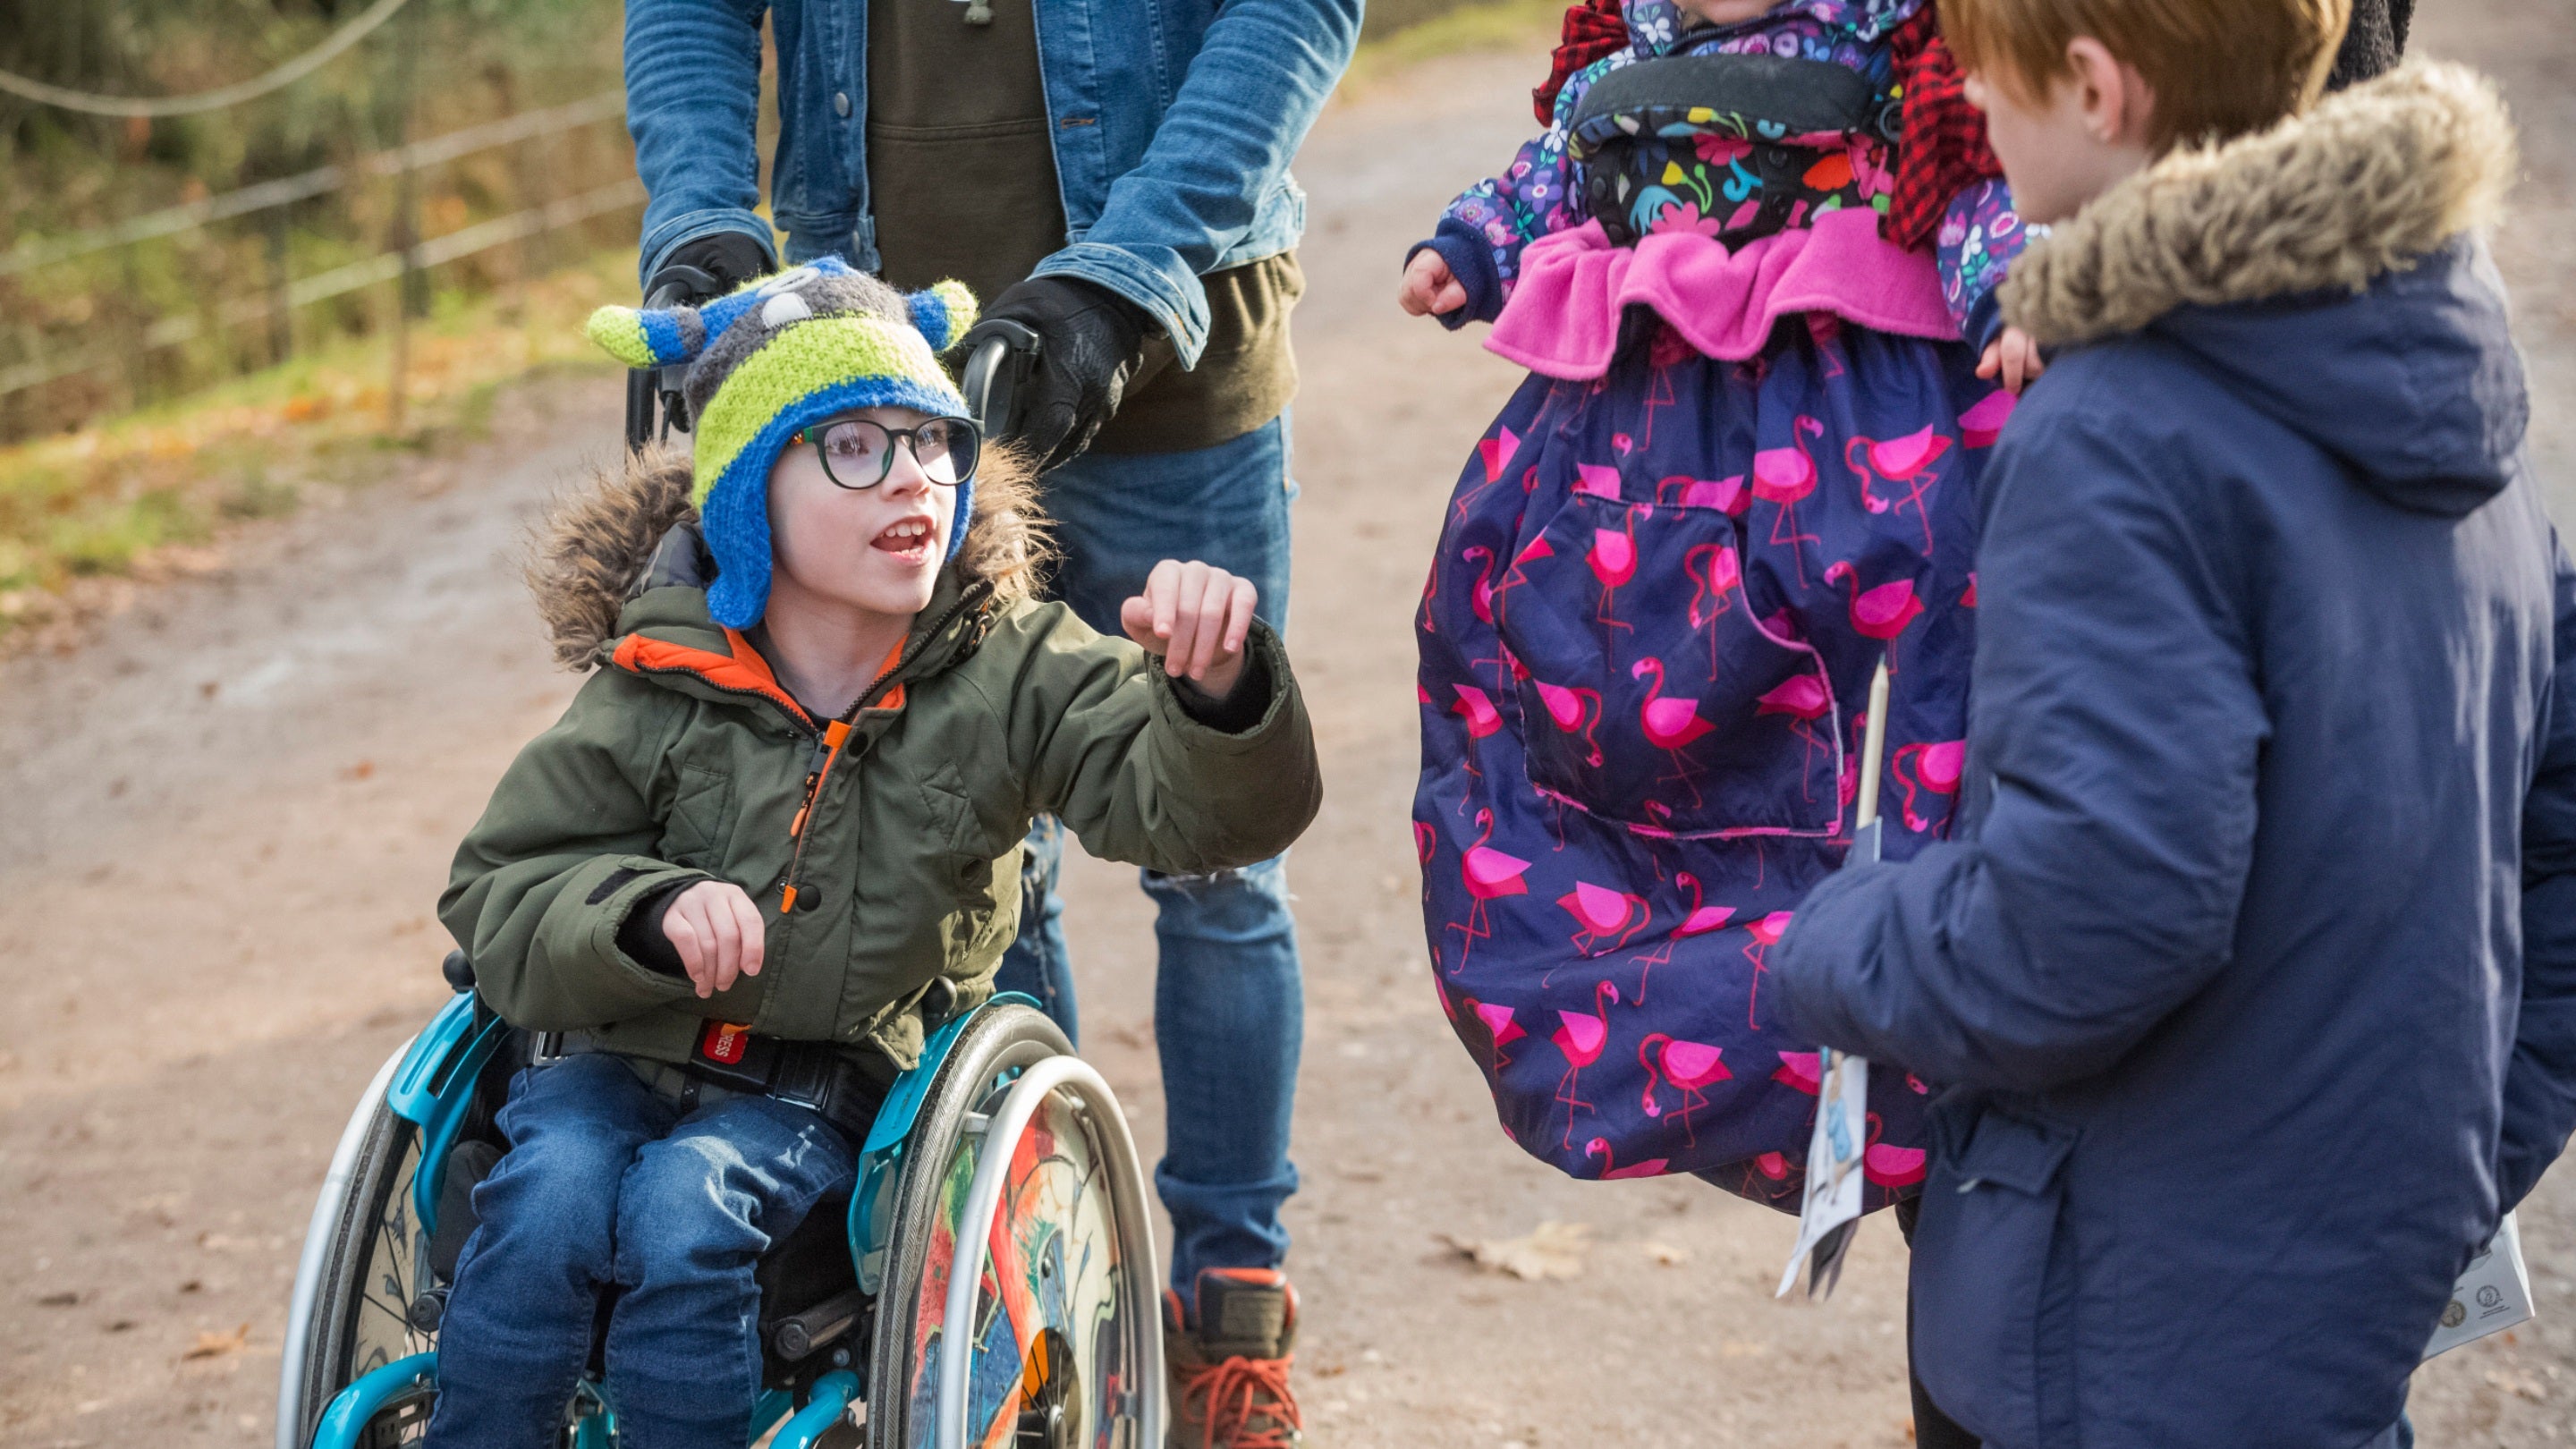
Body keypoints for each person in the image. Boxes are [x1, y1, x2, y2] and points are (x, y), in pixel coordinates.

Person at [1768, 0, 2576, 1443]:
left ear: (2091, 87)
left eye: (1979, 67)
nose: (1957, 95)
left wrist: (1830, 936)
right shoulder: (2447, 372)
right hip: (2329, 1297)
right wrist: (2455, 1156)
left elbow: (2087, 928)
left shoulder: (2121, 434)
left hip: (2109, 1327)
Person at [424, 259, 1321, 1449]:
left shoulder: (1008, 671)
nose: (911, 473)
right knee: (546, 1203)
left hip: (831, 1082)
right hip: (607, 1050)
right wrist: (644, 914)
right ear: (751, 498)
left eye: (933, 441)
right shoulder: (653, 684)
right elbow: (499, 889)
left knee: (688, 1209)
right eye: (853, 446)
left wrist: (1214, 695)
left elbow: (1197, 814)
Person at [619, 4, 1358, 1433]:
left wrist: (1125, 277)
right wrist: (706, 223)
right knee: (971, 856)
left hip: (1172, 370)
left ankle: (1232, 1302)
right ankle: (1042, 1283)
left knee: (1213, 869)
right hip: (887, 400)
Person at [1402, 0, 2029, 1210]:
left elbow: (1968, 185)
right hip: (1628, 425)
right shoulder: (1629, 60)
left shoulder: (1887, 56)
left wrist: (2009, 293)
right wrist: (1471, 248)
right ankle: (1610, 973)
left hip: (1846, 410)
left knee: (1885, 651)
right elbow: (1548, 175)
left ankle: (1875, 1003)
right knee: (1536, 652)